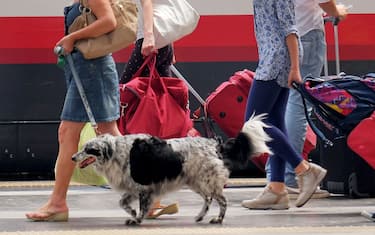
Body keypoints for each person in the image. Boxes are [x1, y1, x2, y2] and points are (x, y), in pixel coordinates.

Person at [26, 0, 122, 221]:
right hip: (85, 70)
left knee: (71, 132)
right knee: (107, 133)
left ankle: (58, 203)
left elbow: (109, 21)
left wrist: (71, 37)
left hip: (92, 70)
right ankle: (150, 193)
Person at [241, 0, 327, 210]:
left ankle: (304, 170)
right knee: (275, 122)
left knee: (252, 124)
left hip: (276, 59)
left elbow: (290, 27)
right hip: (275, 56)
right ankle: (277, 188)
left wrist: (295, 68)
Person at [265, 0, 348, 200]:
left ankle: (276, 174)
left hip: (282, 37)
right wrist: (339, 11)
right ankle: (291, 174)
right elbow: (326, 3)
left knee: (282, 106)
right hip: (306, 34)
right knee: (297, 105)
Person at [119, 0, 178, 218]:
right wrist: (169, 43)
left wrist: (150, 35)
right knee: (160, 111)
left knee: (122, 97)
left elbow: (147, 2)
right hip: (162, 40)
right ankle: (156, 195)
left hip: (151, 39)